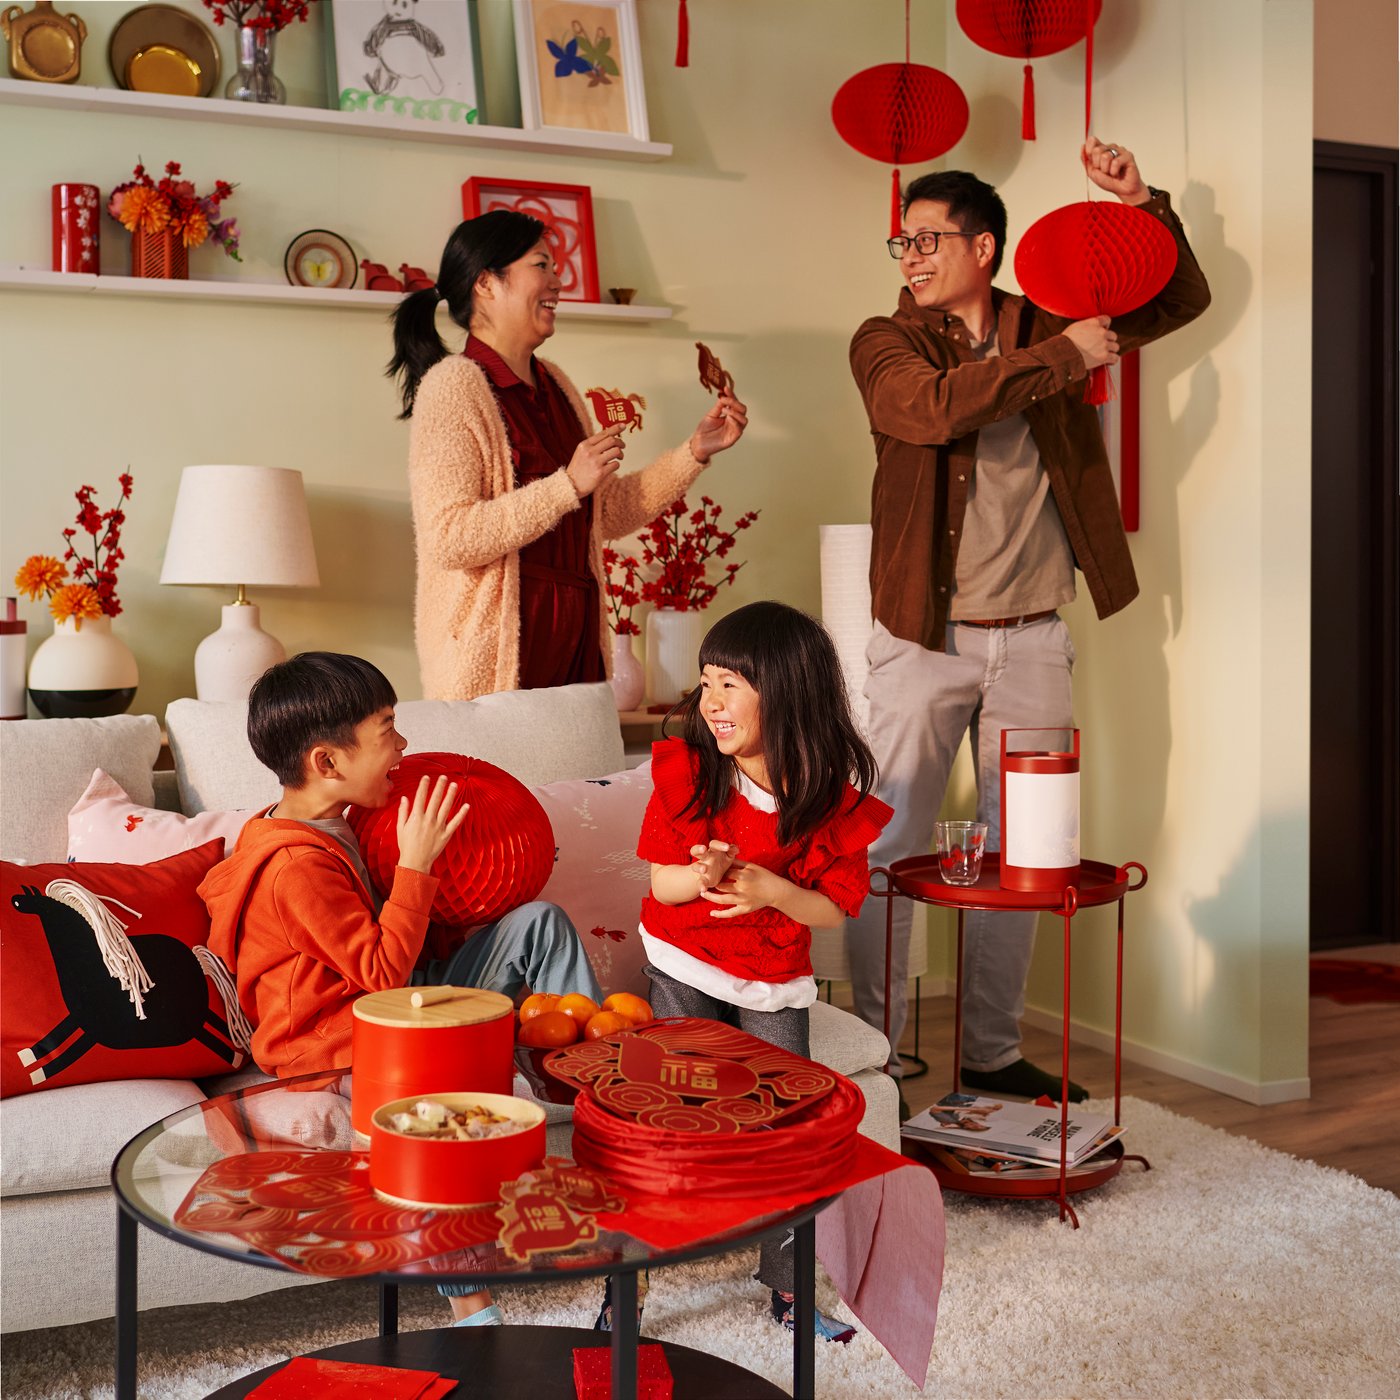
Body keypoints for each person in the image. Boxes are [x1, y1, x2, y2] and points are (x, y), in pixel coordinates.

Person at [845, 138, 1211, 1104]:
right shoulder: (887, 342)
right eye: (902, 240)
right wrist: (1059, 357)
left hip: (1035, 638)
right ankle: (871, 1060)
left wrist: (1146, 208)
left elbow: (1178, 301)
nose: (911, 257)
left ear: (985, 246)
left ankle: (992, 1054)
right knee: (887, 848)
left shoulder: (1053, 316)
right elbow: (927, 412)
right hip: (923, 639)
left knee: (1026, 858)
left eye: (929, 238)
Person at [199, 650, 602, 1328]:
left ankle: (580, 1091)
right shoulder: (295, 865)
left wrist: (446, 888)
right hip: (344, 1046)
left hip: (398, 1004)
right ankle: (472, 1307)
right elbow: (380, 972)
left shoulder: (343, 821)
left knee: (540, 924)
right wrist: (416, 868)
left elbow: (397, 960)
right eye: (387, 729)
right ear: (328, 762)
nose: (404, 745)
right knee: (424, 1127)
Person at [635, 601, 893, 1342]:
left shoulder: (828, 804)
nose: (710, 703)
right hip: (682, 960)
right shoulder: (689, 774)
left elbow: (834, 910)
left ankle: (785, 1287)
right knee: (666, 1120)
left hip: (771, 974)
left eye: (730, 686)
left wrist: (772, 889)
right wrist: (708, 871)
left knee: (790, 1130)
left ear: (787, 693)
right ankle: (632, 1290)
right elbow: (662, 888)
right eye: (706, 683)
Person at [388, 210, 748, 701]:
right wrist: (566, 485)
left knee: (583, 782)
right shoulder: (452, 387)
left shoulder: (557, 385)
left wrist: (693, 452)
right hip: (495, 674)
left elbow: (607, 513)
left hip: (578, 657)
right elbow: (449, 538)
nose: (558, 281)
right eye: (541, 265)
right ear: (486, 284)